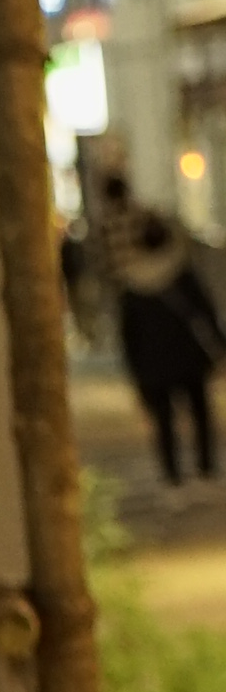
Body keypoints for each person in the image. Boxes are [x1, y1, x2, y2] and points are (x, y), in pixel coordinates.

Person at [112, 200, 226, 481]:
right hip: (187, 356)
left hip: (153, 365)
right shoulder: (181, 273)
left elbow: (128, 335)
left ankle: (172, 474)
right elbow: (205, 311)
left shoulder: (132, 285)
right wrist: (220, 347)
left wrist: (135, 372)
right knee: (199, 411)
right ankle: (205, 466)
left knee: (164, 420)